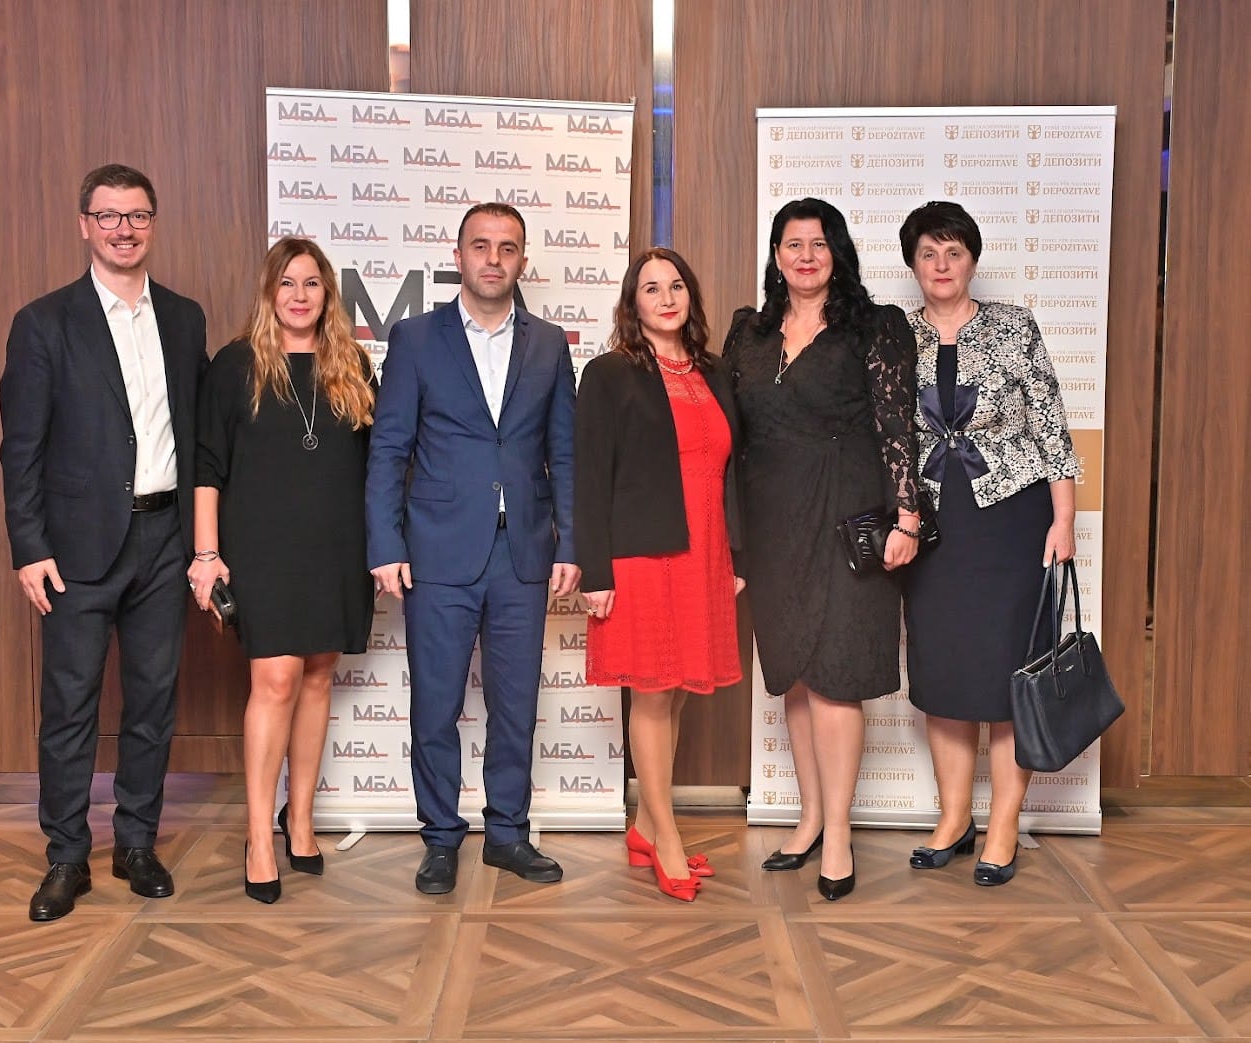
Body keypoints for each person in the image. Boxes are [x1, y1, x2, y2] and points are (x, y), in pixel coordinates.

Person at [0, 164, 207, 921]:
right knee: (70, 706)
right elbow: (20, 448)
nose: (124, 229)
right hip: (75, 549)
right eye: (109, 215)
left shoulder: (184, 318)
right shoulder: (44, 323)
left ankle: (136, 843)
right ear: (84, 224)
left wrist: (204, 543)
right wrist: (29, 546)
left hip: (164, 539)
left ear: (153, 223)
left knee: (152, 700)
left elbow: (199, 434)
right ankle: (65, 856)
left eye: (138, 215)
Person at [366, 203, 580, 895]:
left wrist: (572, 542)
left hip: (523, 553)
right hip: (436, 551)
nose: (494, 258)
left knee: (516, 704)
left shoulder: (549, 343)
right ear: (458, 256)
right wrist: (385, 543)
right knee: (435, 703)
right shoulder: (415, 338)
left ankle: (508, 835)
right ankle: (439, 838)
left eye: (507, 247)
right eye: (481, 246)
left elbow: (564, 453)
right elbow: (388, 448)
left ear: (522, 260)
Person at [723, 197, 921, 901]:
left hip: (848, 516)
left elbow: (898, 425)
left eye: (818, 243)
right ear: (776, 256)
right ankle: (809, 818)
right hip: (771, 525)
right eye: (792, 244)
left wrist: (908, 518)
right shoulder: (748, 332)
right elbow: (730, 437)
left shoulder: (877, 326)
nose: (805, 256)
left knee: (836, 673)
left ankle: (838, 833)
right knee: (796, 675)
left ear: (837, 252)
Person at [898, 201, 1079, 886]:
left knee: (1010, 673)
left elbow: (1050, 424)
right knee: (945, 672)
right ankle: (953, 819)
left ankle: (1003, 824)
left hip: (1011, 521)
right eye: (928, 253)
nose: (941, 265)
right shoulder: (896, 335)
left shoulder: (1014, 325)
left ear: (972, 259)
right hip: (933, 526)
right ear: (913, 264)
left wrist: (1063, 520)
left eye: (954, 252)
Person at [190, 238, 376, 903]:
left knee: (319, 674)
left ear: (328, 293)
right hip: (261, 547)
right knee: (275, 680)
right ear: (270, 291)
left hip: (337, 545)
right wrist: (206, 555)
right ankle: (259, 837)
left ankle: (300, 822)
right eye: (287, 283)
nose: (300, 295)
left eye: (312, 283)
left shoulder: (351, 363)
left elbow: (374, 462)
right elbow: (207, 465)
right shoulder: (236, 364)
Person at [575, 248, 744, 903]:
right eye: (651, 288)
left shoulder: (714, 371)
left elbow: (733, 471)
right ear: (633, 302)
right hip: (642, 553)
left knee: (676, 693)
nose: (666, 297)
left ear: (689, 296)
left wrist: (737, 555)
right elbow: (590, 477)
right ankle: (666, 836)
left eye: (676, 286)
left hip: (705, 550)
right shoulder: (610, 374)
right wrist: (595, 570)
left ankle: (646, 826)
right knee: (651, 691)